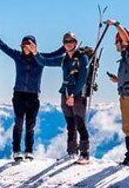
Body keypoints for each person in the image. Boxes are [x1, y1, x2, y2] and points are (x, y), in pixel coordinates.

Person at [0, 22, 63, 161]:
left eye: (29, 45)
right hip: (19, 95)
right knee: (19, 122)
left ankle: (29, 151)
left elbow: (57, 53)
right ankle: (16, 151)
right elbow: (3, 46)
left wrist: (68, 44)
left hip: (33, 95)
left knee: (30, 125)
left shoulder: (41, 58)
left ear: (34, 46)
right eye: (24, 45)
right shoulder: (17, 56)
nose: (26, 48)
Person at [35, 32, 91, 164]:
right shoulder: (64, 59)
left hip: (77, 95)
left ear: (75, 43)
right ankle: (72, 152)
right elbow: (44, 61)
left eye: (71, 41)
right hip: (65, 93)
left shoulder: (82, 57)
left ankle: (84, 154)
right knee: (70, 124)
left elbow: (82, 78)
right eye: (66, 42)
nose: (68, 43)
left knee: (80, 123)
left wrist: (73, 95)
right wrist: (35, 52)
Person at [105, 19, 129, 166]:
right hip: (127, 92)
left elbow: (127, 40)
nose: (116, 45)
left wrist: (116, 24)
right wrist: (118, 80)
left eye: (117, 41)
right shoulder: (126, 58)